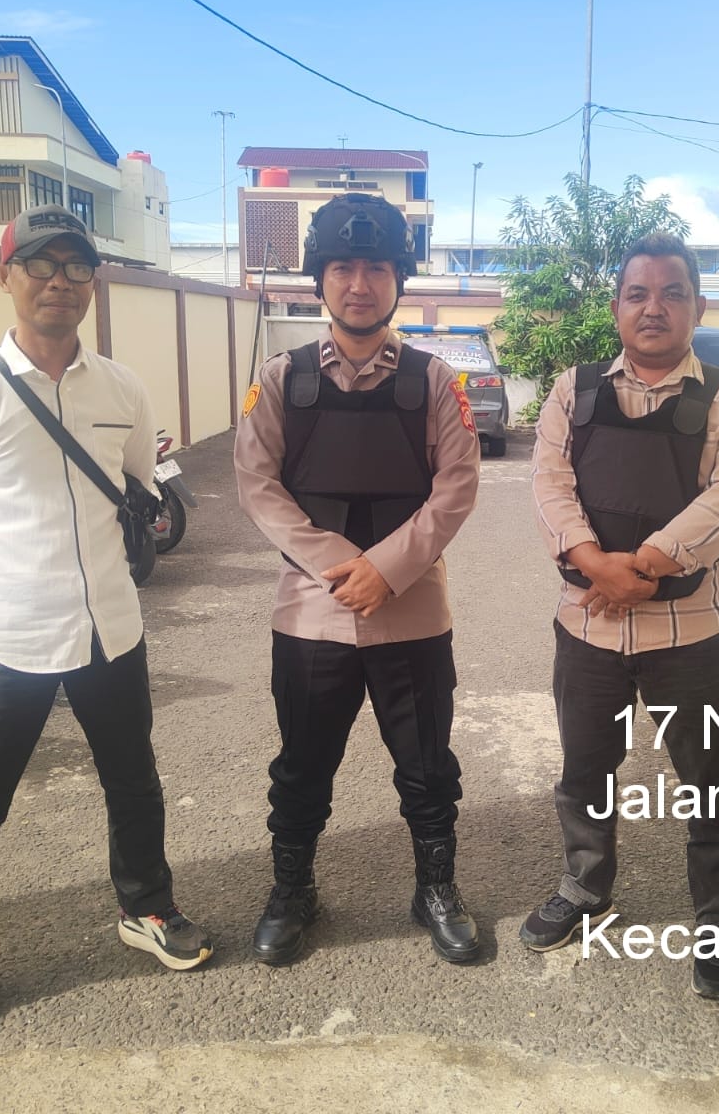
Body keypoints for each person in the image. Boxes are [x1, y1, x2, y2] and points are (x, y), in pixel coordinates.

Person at [0, 205, 209, 1054]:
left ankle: (146, 907)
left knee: (134, 780)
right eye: (40, 264)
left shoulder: (121, 388)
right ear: (4, 275)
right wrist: (8, 578)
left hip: (112, 627)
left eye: (77, 267)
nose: (59, 282)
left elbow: (135, 485)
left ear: (93, 282)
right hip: (9, 637)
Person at [234, 192, 482, 966]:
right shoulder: (283, 380)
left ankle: (435, 888)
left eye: (377, 268)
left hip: (413, 615)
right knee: (302, 767)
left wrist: (388, 569)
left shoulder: (435, 383)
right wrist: (338, 566)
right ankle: (293, 891)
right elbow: (257, 485)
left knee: (428, 768)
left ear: (399, 279)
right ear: (320, 280)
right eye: (343, 267)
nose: (360, 283)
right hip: (311, 615)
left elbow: (457, 487)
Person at [523, 231, 719, 1000]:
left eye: (672, 293)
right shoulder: (574, 389)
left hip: (694, 635)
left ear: (699, 305)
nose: (653, 308)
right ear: (617, 306)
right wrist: (597, 564)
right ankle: (585, 886)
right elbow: (550, 482)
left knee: (713, 783)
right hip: (587, 627)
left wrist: (648, 563)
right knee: (585, 771)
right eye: (638, 294)